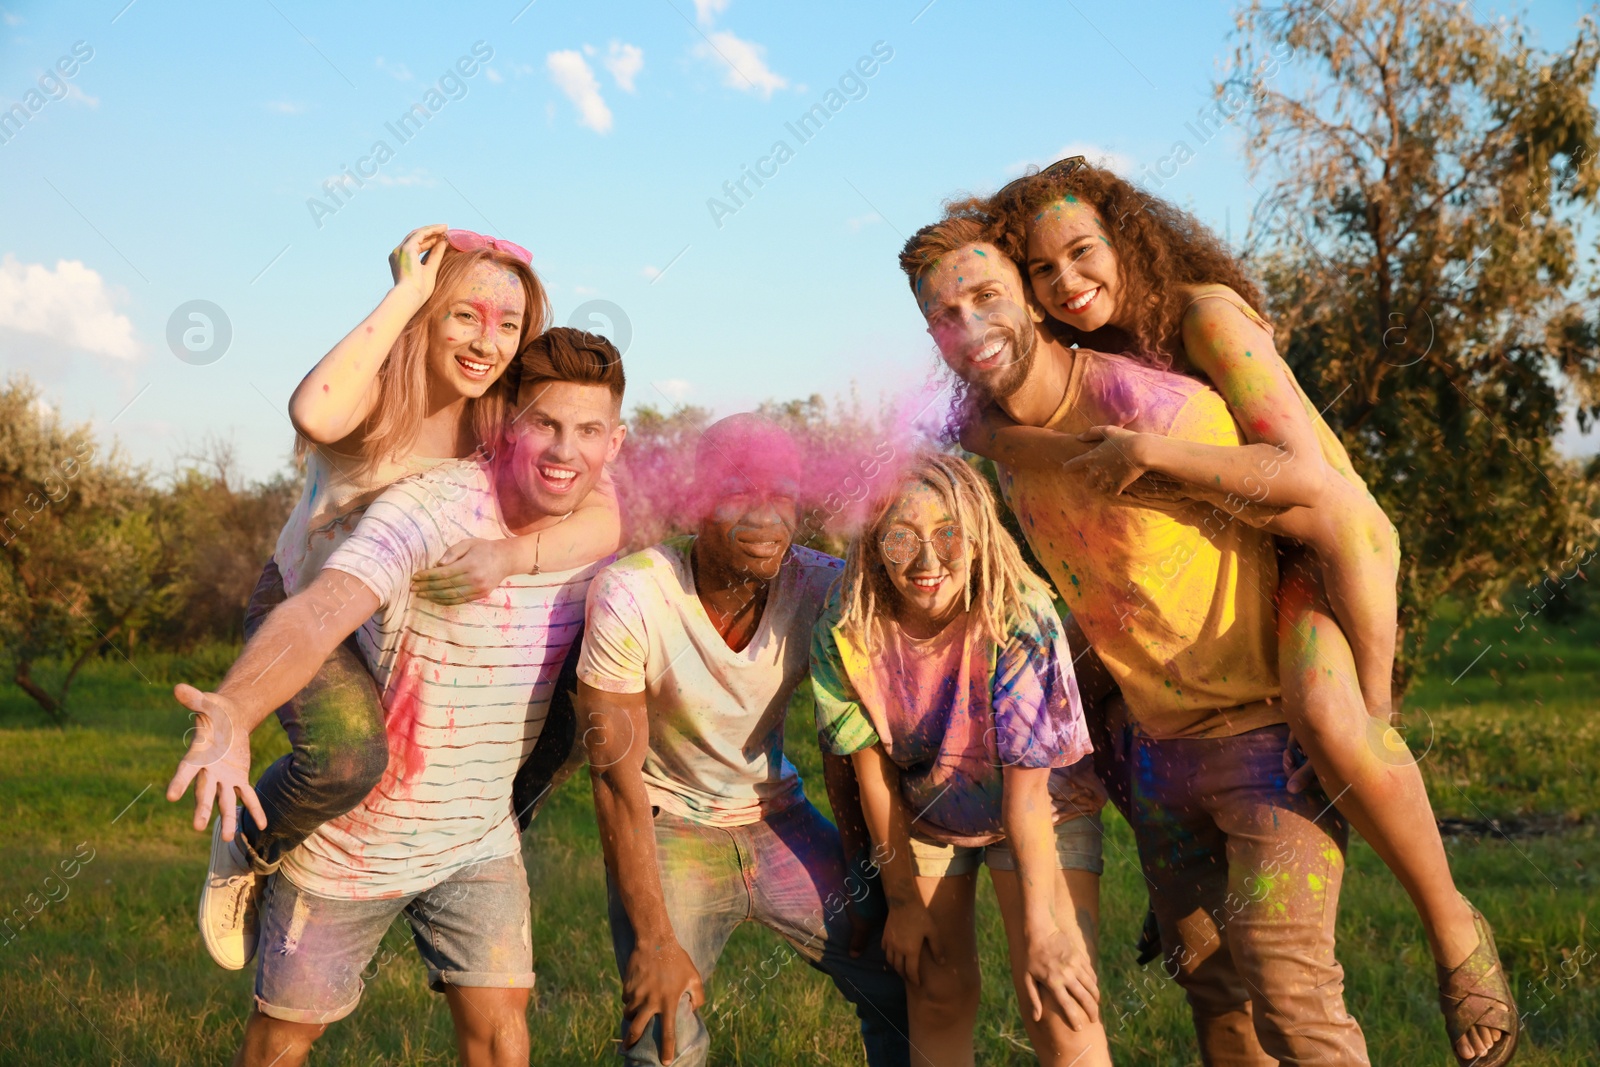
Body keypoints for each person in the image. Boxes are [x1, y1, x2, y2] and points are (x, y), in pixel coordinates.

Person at [969, 159, 1515, 1066]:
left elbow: (1308, 485)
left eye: (1081, 253)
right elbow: (988, 433)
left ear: (1126, 236)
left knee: (1337, 715)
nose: (1067, 283)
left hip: (1319, 549)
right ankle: (1183, 865)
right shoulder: (1085, 359)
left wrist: (1150, 451)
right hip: (1216, 617)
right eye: (1041, 273)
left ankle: (1454, 924)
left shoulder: (1203, 315)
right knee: (1104, 686)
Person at [903, 214, 1374, 1063]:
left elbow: (1323, 514)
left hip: (1268, 740)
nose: (967, 327)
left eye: (986, 297)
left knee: (1295, 1002)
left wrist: (1355, 699)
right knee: (1215, 995)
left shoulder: (1162, 409)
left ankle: (1458, 935)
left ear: (1037, 303)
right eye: (944, 315)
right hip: (1161, 758)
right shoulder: (1001, 445)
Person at [163, 328, 628, 1067]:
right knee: (284, 1040)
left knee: (504, 1035)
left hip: (477, 841)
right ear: (509, 423)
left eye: (588, 431)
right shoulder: (429, 509)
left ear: (615, 442)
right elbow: (322, 609)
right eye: (544, 423)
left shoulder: (601, 531)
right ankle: (254, 845)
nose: (564, 450)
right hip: (354, 843)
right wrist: (237, 706)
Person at [577, 413, 910, 1067]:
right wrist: (652, 937)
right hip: (668, 823)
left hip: (777, 815)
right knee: (661, 1026)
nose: (767, 516)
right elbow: (616, 781)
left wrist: (867, 871)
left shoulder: (821, 584)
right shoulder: (634, 593)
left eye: (783, 493)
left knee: (905, 974)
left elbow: (853, 735)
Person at [811, 451, 1110, 1067]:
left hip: (1043, 813)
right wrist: (901, 904)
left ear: (977, 535)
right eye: (902, 537)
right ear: (873, 541)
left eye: (948, 536)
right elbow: (874, 779)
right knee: (937, 992)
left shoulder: (1019, 618)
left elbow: (1027, 796)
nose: (927, 562)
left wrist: (1045, 931)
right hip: (927, 813)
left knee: (1056, 1000)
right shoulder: (846, 624)